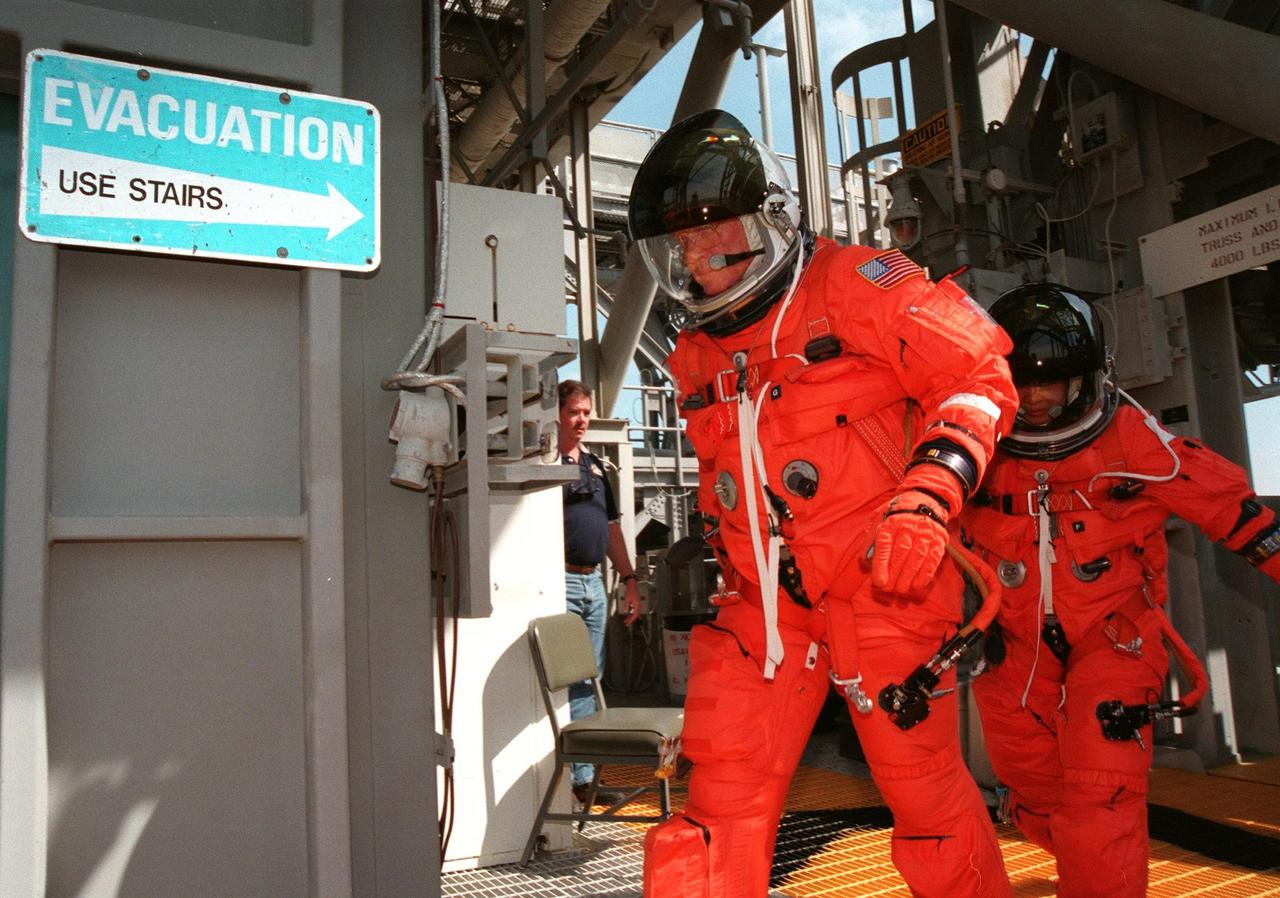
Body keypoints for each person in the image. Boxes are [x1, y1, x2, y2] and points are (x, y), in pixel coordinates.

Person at [627, 109, 1019, 898]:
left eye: (717, 233)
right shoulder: (696, 353)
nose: (700, 258)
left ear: (770, 219)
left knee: (928, 805)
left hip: (883, 585)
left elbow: (978, 377)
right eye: (683, 246)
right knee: (712, 815)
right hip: (763, 608)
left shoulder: (860, 285)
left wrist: (931, 492)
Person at [960, 283, 1280, 897]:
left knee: (1100, 799)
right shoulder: (976, 451)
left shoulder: (1134, 441)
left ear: (1087, 379)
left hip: (1113, 641)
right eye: (1023, 385)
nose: (1038, 402)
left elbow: (1233, 513)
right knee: (1033, 794)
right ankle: (1080, 863)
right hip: (1013, 651)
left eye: (1052, 385)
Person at [559, 378, 643, 805]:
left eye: (587, 413)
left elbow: (611, 529)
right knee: (570, 680)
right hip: (560, 581)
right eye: (574, 412)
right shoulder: (547, 463)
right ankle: (575, 776)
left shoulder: (593, 466)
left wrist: (630, 580)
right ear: (556, 414)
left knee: (591, 680)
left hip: (593, 582)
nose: (582, 421)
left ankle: (586, 776)